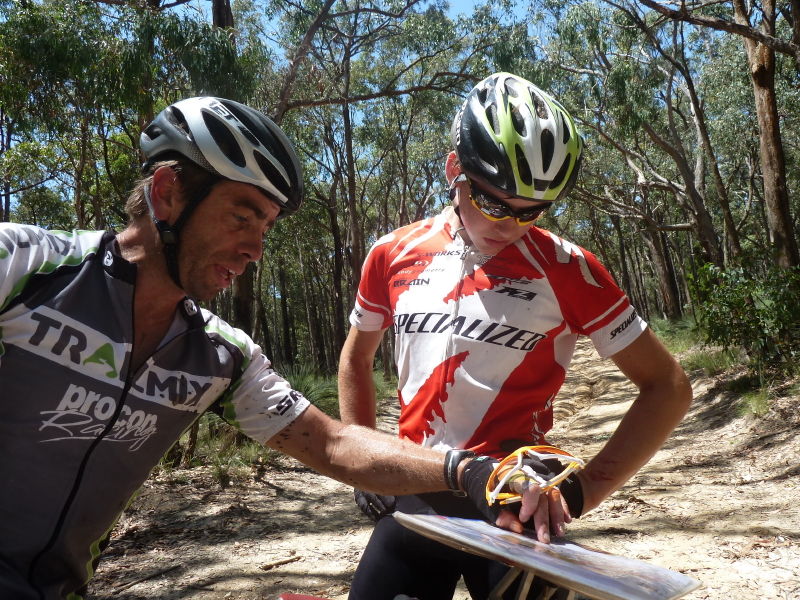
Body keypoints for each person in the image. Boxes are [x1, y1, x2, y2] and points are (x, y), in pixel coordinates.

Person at [0, 96, 547, 600]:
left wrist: (471, 473)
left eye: (266, 226)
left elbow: (332, 444)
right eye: (242, 215)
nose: (256, 249)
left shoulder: (217, 356)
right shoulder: (23, 267)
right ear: (166, 191)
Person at [338, 72, 694, 600]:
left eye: (533, 211)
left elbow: (668, 387)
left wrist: (581, 490)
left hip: (516, 504)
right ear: (454, 168)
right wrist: (365, 466)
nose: (510, 224)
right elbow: (354, 360)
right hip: (416, 491)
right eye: (495, 203)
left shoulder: (569, 267)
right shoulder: (391, 252)